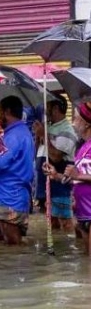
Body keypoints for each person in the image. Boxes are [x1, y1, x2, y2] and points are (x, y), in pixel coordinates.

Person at [46, 102, 91, 257]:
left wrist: (78, 175)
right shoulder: (83, 148)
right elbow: (78, 179)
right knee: (88, 258)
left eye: (76, 119)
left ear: (86, 124)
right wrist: (56, 176)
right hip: (83, 212)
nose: (73, 122)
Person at [0, 96, 35, 244]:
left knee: (13, 245)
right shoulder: (18, 132)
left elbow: (1, 162)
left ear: (7, 111)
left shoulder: (14, 136)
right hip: (13, 196)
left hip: (11, 198)